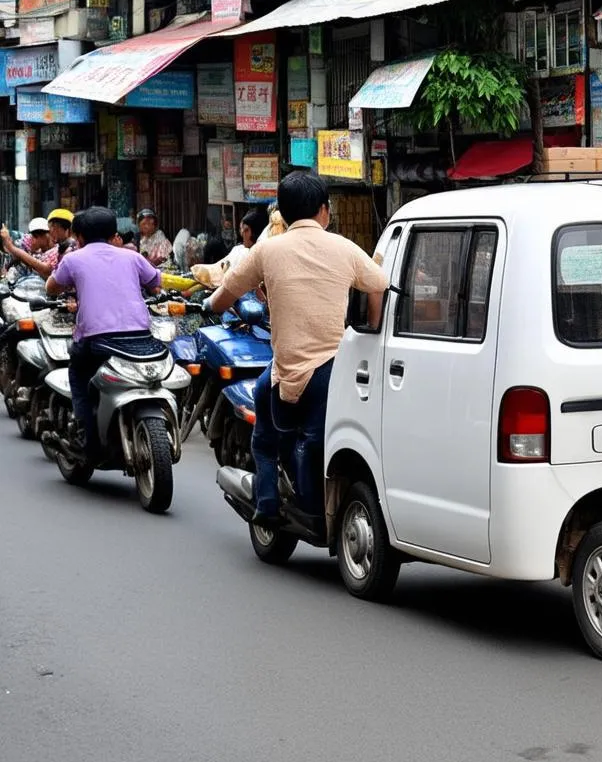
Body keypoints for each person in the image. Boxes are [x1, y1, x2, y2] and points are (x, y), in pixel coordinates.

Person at [204, 172, 389, 527]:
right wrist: (371, 329)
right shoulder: (344, 248)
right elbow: (378, 283)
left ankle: (268, 499)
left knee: (265, 433)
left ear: (284, 215)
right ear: (324, 211)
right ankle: (309, 505)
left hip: (283, 371)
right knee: (315, 437)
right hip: (331, 368)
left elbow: (226, 292)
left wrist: (210, 306)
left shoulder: (267, 250)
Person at [46, 207, 163, 464]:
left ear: (78, 236)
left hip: (96, 341)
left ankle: (87, 437)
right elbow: (156, 284)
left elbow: (51, 287)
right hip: (141, 338)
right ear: (113, 235)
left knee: (78, 376)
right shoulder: (132, 258)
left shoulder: (73, 259)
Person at [0, 209, 77, 279]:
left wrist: (11, 247)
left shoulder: (71, 248)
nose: (52, 230)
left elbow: (46, 270)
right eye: (51, 226)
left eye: (54, 226)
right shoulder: (60, 247)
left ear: (67, 229)